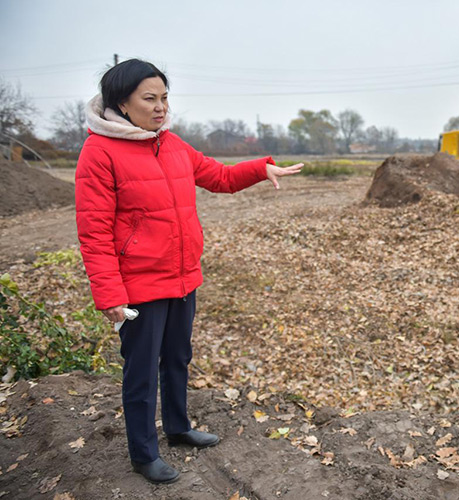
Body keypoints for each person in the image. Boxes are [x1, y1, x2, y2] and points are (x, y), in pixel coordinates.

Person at [75, 59, 303, 484]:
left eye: (164, 97)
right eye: (150, 99)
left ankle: (178, 428)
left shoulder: (173, 144)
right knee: (141, 371)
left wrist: (260, 169)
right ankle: (144, 453)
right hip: (139, 284)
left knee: (178, 357)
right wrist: (109, 294)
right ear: (121, 104)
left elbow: (219, 177)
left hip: (182, 277)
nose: (161, 107)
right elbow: (94, 231)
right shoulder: (99, 151)